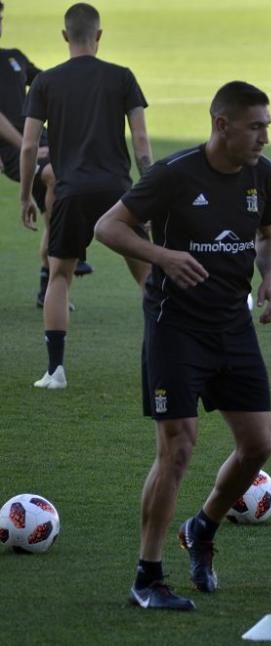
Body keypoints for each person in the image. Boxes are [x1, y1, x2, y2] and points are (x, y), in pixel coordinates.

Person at [94, 81, 271, 611]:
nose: (265, 136)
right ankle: (147, 576)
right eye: (256, 126)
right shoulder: (174, 175)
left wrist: (269, 280)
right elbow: (107, 226)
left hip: (233, 323)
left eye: (267, 124)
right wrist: (162, 256)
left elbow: (267, 236)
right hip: (175, 325)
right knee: (177, 448)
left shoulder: (263, 176)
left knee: (257, 446)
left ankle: (202, 528)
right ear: (222, 125)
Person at [20, 2, 152, 389]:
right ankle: (164, 356)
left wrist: (26, 195)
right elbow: (141, 140)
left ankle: (55, 370)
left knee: (60, 275)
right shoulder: (122, 77)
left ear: (65, 36)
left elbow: (28, 147)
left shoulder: (45, 82)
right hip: (118, 192)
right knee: (147, 274)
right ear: (98, 35)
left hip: (69, 191)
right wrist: (149, 191)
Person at [0, 1, 92, 309]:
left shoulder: (13, 57)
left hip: (41, 142)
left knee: (68, 187)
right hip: (15, 148)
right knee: (57, 175)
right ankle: (70, 248)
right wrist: (25, 144)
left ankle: (48, 280)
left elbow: (47, 84)